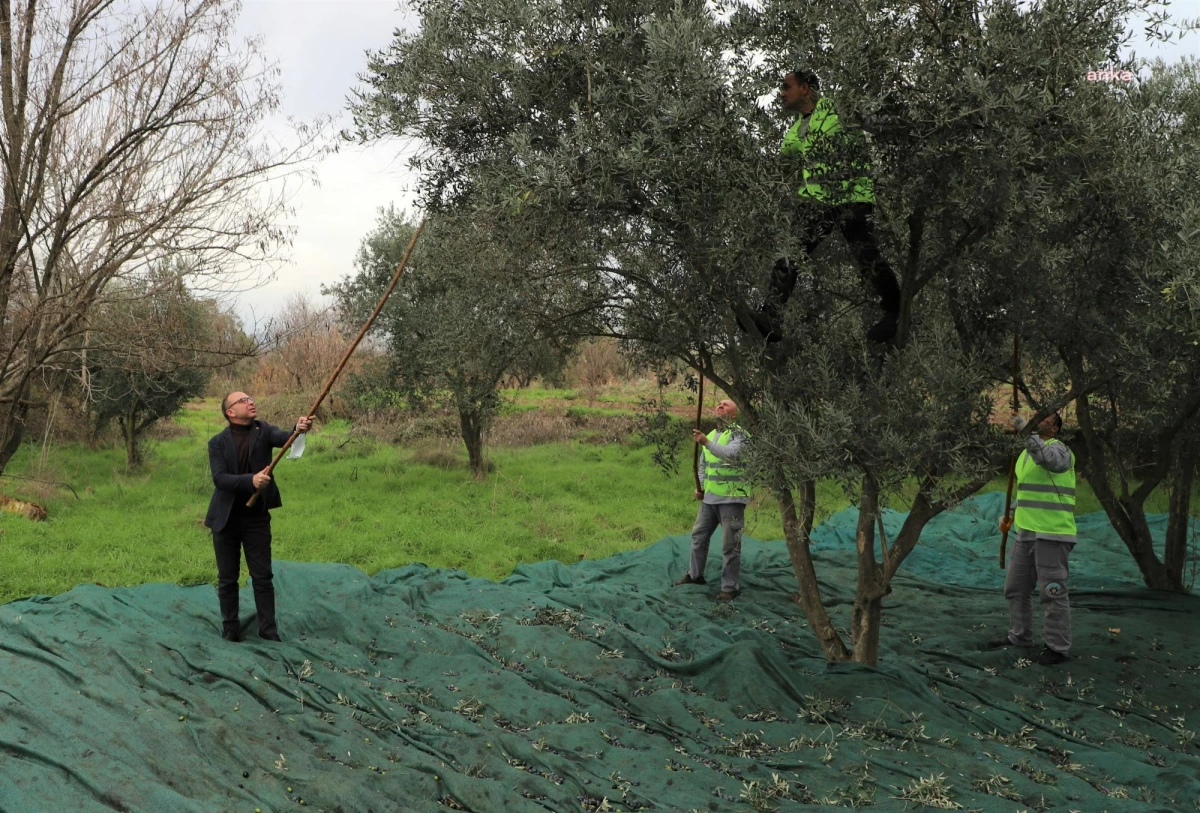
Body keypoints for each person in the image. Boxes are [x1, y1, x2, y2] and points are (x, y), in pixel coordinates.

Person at [752, 69, 902, 343]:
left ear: (805, 89)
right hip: (819, 202)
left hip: (852, 197)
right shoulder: (796, 130)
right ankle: (771, 317)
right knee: (790, 252)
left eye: (786, 87)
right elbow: (783, 162)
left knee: (867, 257)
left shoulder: (838, 109)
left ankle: (895, 314)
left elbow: (875, 121)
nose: (781, 93)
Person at [204, 392, 313, 642]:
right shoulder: (217, 442)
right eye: (243, 400)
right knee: (227, 578)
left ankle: (268, 630)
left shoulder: (263, 430)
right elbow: (220, 479)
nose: (251, 401)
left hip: (256, 518)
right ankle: (230, 629)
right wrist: (250, 480)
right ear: (230, 412)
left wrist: (300, 428)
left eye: (251, 397)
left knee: (262, 576)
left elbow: (287, 438)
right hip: (225, 519)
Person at [989, 412, 1076, 665]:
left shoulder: (1060, 450)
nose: (1039, 424)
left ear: (1056, 428)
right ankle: (1020, 636)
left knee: (1052, 591)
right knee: (1015, 588)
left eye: (1046, 421)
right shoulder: (1025, 455)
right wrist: (1010, 515)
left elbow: (1049, 461)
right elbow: (1027, 491)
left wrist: (1025, 431)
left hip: (1053, 533)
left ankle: (1058, 648)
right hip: (1026, 533)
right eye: (1038, 419)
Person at [673, 399, 751, 600]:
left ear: (734, 415)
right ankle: (695, 575)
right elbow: (703, 466)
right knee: (698, 537)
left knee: (730, 545)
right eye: (718, 404)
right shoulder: (709, 435)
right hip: (710, 500)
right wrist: (701, 487)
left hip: (732, 499)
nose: (720, 405)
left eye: (725, 405)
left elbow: (731, 455)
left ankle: (729, 587)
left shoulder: (740, 435)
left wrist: (705, 443)